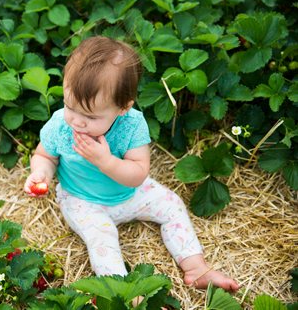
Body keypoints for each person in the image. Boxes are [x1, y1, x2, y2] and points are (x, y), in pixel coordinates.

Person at [23, 36, 239, 292]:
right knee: (101, 240)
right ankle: (126, 292)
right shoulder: (61, 124)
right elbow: (45, 155)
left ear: (123, 108)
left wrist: (105, 161)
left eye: (90, 116)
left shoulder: (131, 125)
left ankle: (196, 268)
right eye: (70, 107)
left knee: (172, 206)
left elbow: (138, 174)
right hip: (83, 199)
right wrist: (41, 173)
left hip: (130, 192)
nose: (77, 121)